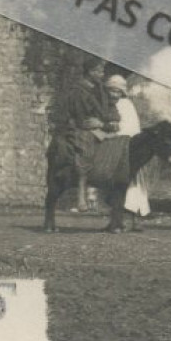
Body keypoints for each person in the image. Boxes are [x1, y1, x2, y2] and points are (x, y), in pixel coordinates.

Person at [56, 58, 120, 212]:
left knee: (118, 150)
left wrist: (111, 121)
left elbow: (111, 109)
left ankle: (104, 196)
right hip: (80, 128)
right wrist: (100, 123)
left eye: (102, 71)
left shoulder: (101, 89)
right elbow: (83, 118)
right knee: (86, 149)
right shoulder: (78, 91)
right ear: (90, 72)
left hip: (101, 128)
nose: (101, 74)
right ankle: (81, 196)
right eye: (98, 71)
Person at [109, 75, 150, 230]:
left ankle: (133, 219)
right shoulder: (108, 105)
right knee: (115, 186)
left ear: (122, 92)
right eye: (111, 91)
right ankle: (116, 219)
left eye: (117, 91)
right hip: (114, 149)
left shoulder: (126, 105)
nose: (114, 94)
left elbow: (130, 128)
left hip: (128, 148)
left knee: (132, 186)